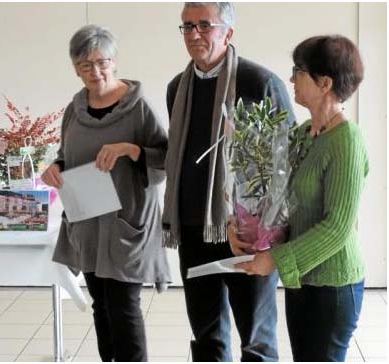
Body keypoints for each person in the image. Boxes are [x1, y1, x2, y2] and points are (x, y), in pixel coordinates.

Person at [162, 2, 296, 361]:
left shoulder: (259, 82)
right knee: (205, 335)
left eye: (204, 25)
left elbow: (288, 161)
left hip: (247, 233)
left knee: (255, 337)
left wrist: (270, 235)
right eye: (187, 26)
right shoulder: (177, 87)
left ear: (228, 32)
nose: (194, 34)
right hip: (194, 228)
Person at [230, 34, 367, 362]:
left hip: (333, 285)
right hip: (303, 279)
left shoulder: (346, 141)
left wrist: (275, 259)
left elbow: (337, 227)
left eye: (298, 71)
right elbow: (276, 195)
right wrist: (241, 226)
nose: (290, 78)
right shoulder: (304, 134)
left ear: (324, 82)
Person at [41, 24, 171, 362]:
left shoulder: (139, 107)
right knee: (101, 304)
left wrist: (131, 149)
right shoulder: (75, 109)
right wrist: (55, 167)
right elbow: (66, 155)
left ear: (114, 62)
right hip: (86, 221)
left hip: (126, 223)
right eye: (86, 65)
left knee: (123, 304)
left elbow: (165, 158)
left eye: (102, 62)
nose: (95, 72)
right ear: (75, 69)